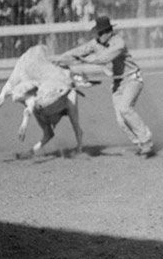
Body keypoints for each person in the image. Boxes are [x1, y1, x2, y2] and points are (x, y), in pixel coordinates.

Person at [56, 15, 155, 156]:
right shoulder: (95, 43)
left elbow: (105, 58)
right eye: (99, 32)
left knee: (125, 109)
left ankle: (146, 140)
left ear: (109, 31)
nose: (100, 35)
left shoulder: (118, 43)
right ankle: (139, 144)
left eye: (102, 32)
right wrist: (60, 58)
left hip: (132, 79)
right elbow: (79, 50)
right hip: (117, 83)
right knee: (121, 120)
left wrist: (86, 59)